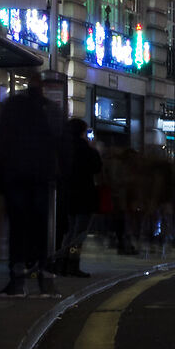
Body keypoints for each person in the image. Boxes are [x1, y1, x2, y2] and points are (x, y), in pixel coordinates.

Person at [0, 74, 63, 294]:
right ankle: (44, 277)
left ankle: (17, 280)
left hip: (16, 176)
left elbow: (0, 142)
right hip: (41, 176)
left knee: (18, 229)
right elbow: (61, 142)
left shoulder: (11, 107)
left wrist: (0, 175)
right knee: (41, 228)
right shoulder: (51, 109)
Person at [55, 117, 102, 277]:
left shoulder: (64, 149)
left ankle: (62, 262)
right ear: (83, 132)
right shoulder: (86, 149)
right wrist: (93, 148)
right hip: (84, 195)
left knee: (70, 232)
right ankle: (73, 263)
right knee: (79, 233)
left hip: (68, 194)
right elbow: (97, 167)